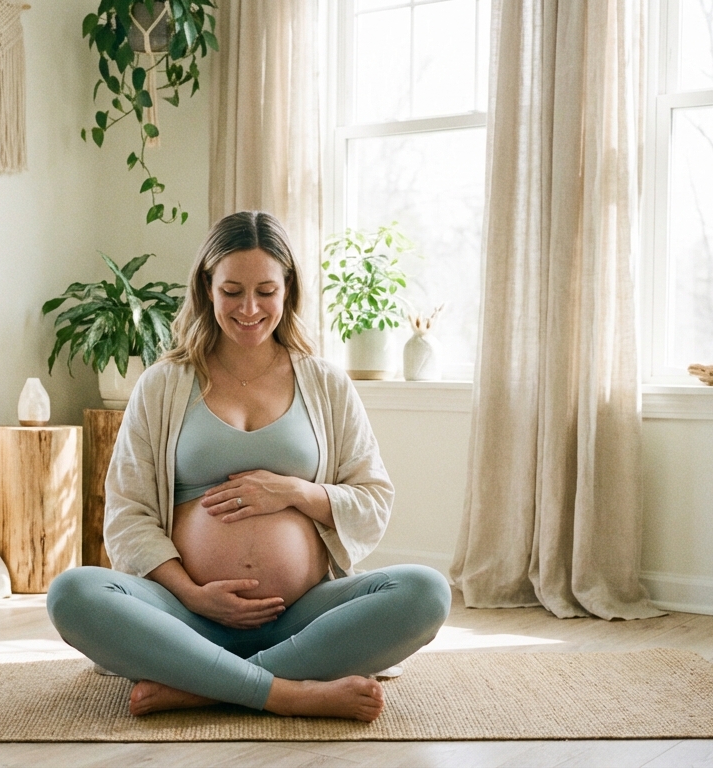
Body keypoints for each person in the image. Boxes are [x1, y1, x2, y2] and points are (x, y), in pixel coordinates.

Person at [46, 211, 451, 722]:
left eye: (266, 290)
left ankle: (203, 686)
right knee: (73, 593)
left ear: (288, 290)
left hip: (302, 616)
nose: (250, 308)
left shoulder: (325, 383)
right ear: (206, 288)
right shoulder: (163, 384)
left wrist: (294, 493)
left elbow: (372, 497)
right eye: (232, 290)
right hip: (187, 616)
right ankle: (287, 691)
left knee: (426, 592)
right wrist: (194, 594)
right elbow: (128, 514)